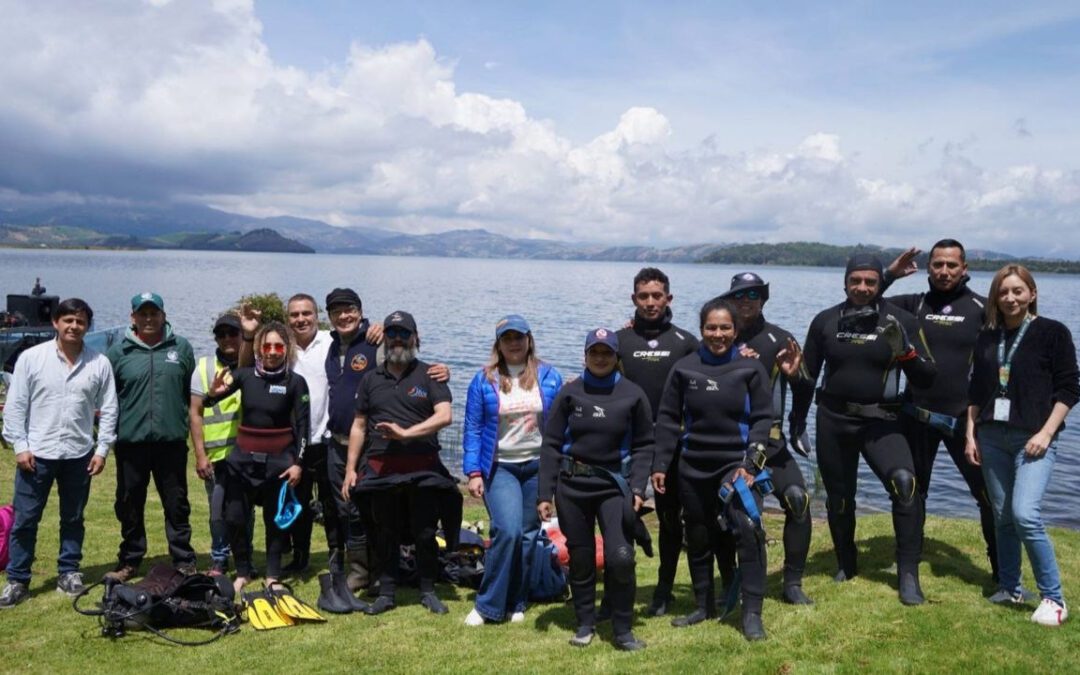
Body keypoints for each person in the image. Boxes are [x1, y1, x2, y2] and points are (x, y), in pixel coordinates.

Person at [792, 254, 936, 605]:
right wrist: (796, 421)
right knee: (840, 498)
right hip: (833, 420)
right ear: (845, 282)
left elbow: (928, 376)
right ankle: (846, 561)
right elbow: (808, 377)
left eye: (870, 281)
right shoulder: (825, 321)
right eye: (855, 280)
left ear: (879, 283)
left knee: (905, 484)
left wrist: (906, 353)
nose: (862, 287)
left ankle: (907, 573)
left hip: (883, 421)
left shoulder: (900, 320)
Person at [653, 298, 778, 640]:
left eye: (725, 328)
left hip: (735, 467)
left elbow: (762, 420)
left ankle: (751, 613)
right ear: (702, 329)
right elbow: (667, 419)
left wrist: (752, 463)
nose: (718, 334)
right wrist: (661, 463)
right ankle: (703, 604)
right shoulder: (684, 368)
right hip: (693, 466)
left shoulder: (750, 369)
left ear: (736, 331)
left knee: (748, 534)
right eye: (711, 327)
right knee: (698, 536)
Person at [965, 264, 1078, 626]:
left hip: (1034, 439)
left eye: (1018, 291)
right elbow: (976, 391)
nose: (1010, 298)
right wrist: (971, 433)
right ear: (995, 297)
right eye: (1003, 292)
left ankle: (1054, 600)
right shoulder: (987, 336)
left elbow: (1070, 389)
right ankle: (1010, 586)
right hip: (992, 436)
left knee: (1025, 513)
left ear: (1032, 293)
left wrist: (1046, 433)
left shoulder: (1052, 333)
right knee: (1001, 516)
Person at [881, 240, 998, 581]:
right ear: (928, 268)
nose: (944, 271)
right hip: (917, 415)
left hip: (967, 421)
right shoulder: (912, 305)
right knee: (911, 492)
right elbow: (867, 301)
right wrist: (890, 274)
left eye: (951, 265)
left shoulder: (983, 308)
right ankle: (909, 563)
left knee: (988, 495)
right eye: (938, 265)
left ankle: (1000, 566)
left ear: (964, 268)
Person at [537, 328, 653, 651]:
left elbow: (645, 444)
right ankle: (585, 623)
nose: (601, 358)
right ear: (585, 355)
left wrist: (639, 487)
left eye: (607, 353)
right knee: (582, 557)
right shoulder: (570, 393)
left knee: (619, 557)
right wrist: (545, 493)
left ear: (617, 357)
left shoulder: (633, 394)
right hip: (572, 487)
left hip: (614, 487)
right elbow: (551, 445)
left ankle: (622, 629)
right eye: (595, 352)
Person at [1, 299, 118, 608]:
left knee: (74, 517)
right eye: (67, 320)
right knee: (25, 519)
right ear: (55, 322)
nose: (73, 326)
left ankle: (69, 571)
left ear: (87, 326)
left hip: (79, 454)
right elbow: (15, 407)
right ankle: (18, 579)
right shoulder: (31, 359)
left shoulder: (99, 363)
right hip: (36, 454)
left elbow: (109, 409)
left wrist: (102, 448)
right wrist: (21, 446)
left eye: (80, 321)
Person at [342, 311, 455, 615]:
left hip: (422, 465)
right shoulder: (371, 379)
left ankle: (428, 589)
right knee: (385, 530)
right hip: (381, 466)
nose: (397, 339)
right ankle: (387, 591)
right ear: (386, 340)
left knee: (425, 532)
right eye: (392, 334)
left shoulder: (430, 374)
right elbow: (359, 426)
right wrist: (351, 469)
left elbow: (445, 416)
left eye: (404, 334)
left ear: (415, 338)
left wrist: (406, 434)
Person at [717, 272, 814, 606]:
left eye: (754, 295)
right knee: (740, 515)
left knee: (798, 500)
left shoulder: (780, 338)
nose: (746, 301)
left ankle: (792, 581)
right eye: (740, 295)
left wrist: (797, 422)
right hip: (730, 442)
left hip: (770, 441)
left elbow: (805, 387)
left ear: (764, 300)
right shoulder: (717, 335)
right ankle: (732, 580)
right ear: (729, 299)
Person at [462, 315, 563, 625]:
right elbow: (473, 428)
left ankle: (517, 601)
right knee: (507, 531)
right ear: (499, 344)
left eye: (519, 337)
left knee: (530, 536)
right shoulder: (484, 379)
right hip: (500, 467)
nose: (514, 343)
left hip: (538, 467)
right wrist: (474, 472)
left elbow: (560, 424)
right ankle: (488, 605)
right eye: (507, 339)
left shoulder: (549, 376)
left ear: (529, 340)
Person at [615, 267, 698, 617]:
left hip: (671, 443)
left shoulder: (685, 342)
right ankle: (621, 588)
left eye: (657, 296)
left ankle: (663, 590)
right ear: (634, 299)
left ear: (668, 298)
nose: (650, 302)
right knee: (620, 516)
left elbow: (715, 373)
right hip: (629, 443)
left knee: (669, 520)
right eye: (643, 296)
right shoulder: (619, 341)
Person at [204, 321, 309, 593]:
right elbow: (209, 402)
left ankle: (273, 575)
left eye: (278, 346)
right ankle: (242, 572)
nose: (272, 351)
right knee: (236, 518)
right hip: (242, 462)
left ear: (286, 349)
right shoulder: (245, 375)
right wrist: (212, 393)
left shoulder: (296, 382)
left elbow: (304, 426)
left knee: (275, 520)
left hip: (279, 463)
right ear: (259, 349)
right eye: (267, 346)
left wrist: (298, 464)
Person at [106, 292, 197, 581]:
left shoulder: (181, 348)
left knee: (177, 503)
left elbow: (190, 394)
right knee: (129, 502)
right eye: (142, 313)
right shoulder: (119, 352)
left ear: (163, 315)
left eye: (153, 313)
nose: (148, 318)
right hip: (131, 443)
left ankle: (183, 559)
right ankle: (130, 559)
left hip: (170, 443)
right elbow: (109, 397)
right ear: (133, 317)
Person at [189, 312, 253, 577]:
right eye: (221, 334)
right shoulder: (203, 368)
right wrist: (200, 455)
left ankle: (244, 557)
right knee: (217, 512)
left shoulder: (252, 367)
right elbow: (195, 413)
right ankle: (219, 557)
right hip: (215, 455)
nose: (227, 338)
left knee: (244, 511)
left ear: (241, 335)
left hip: (245, 454)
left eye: (233, 333)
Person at [282, 293, 338, 575]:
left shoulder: (332, 342)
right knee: (298, 504)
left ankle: (335, 558)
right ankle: (300, 557)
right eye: (294, 315)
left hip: (327, 439)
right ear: (288, 318)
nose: (301, 319)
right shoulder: (283, 348)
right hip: (296, 442)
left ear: (317, 316)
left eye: (306, 313)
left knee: (332, 504)